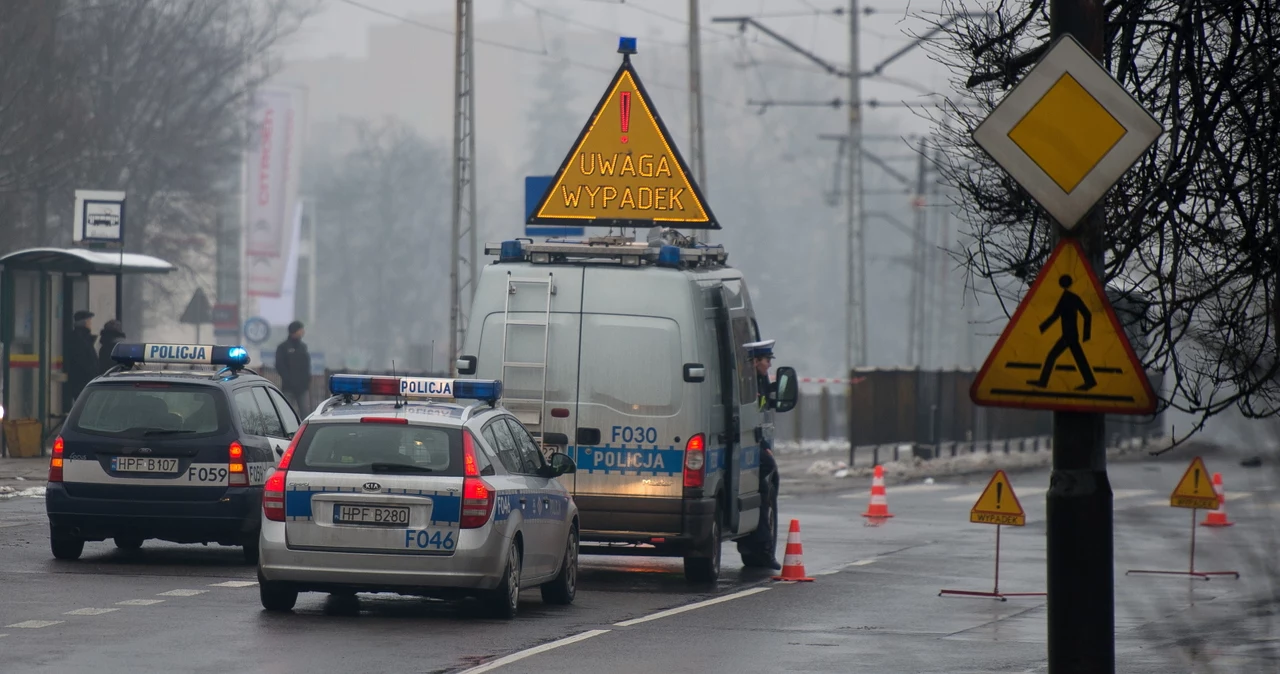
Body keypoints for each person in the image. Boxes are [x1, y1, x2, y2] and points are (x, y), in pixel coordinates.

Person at [738, 339, 781, 570]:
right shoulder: (748, 383)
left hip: (755, 440)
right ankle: (762, 547)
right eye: (767, 361)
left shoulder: (761, 380)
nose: (769, 366)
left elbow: (762, 415)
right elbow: (750, 416)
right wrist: (763, 445)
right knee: (765, 480)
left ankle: (761, 545)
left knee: (767, 475)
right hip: (749, 442)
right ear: (755, 362)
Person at [275, 320, 312, 415]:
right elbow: (280, 365)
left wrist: (307, 379)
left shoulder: (303, 347)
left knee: (305, 413)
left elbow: (306, 365)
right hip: (288, 387)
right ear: (295, 331)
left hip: (302, 387)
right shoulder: (283, 348)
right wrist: (288, 379)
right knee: (286, 413)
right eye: (301, 329)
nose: (303, 332)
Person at [64, 310, 99, 406]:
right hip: (82, 382)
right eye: (89, 321)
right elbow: (84, 361)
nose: (90, 323)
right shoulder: (79, 339)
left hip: (84, 382)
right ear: (84, 322)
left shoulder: (84, 337)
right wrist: (94, 374)